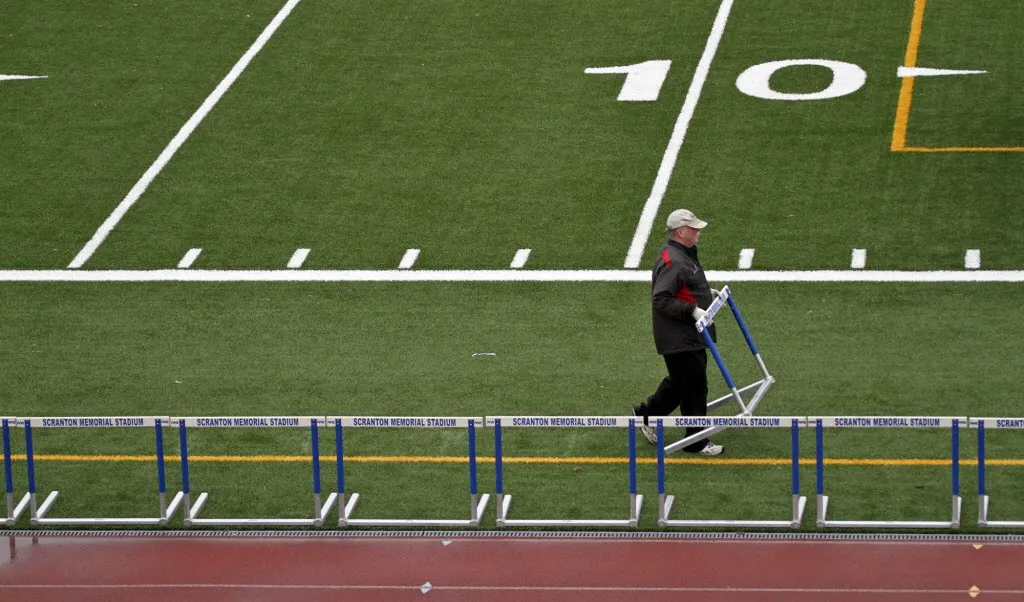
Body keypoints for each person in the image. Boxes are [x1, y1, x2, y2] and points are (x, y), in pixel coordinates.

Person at [633, 208, 723, 456]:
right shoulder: (675, 260)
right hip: (680, 336)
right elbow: (661, 299)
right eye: (694, 229)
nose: (698, 232)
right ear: (681, 232)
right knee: (692, 386)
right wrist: (694, 310)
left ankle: (647, 415)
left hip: (684, 335)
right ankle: (695, 441)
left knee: (682, 383)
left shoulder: (681, 254)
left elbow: (684, 287)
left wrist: (705, 296)